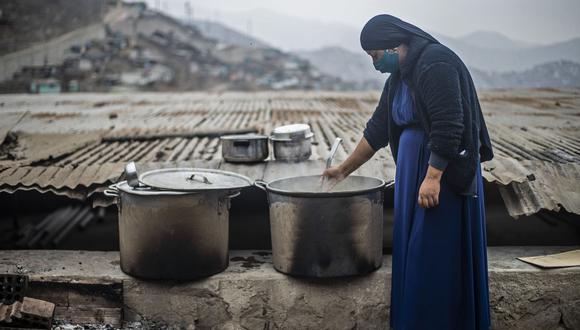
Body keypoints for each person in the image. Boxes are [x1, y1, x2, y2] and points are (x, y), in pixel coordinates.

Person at [322, 14, 494, 330]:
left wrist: (433, 178)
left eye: (375, 56)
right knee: (417, 255)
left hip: (442, 176)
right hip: (416, 173)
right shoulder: (401, 76)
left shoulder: (434, 62)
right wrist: (342, 171)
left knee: (433, 256)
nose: (374, 64)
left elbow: (449, 126)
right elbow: (376, 131)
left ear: (392, 45)